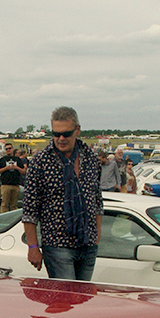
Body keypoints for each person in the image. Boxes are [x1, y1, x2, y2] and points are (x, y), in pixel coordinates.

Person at [22, 106, 102, 281]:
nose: (61, 139)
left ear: (77, 130)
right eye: (56, 134)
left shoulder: (91, 159)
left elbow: (97, 201)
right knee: (65, 302)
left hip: (87, 243)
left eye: (66, 133)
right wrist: (33, 247)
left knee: (83, 300)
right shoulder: (41, 162)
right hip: (57, 244)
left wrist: (96, 237)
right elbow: (30, 209)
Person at [0, 143, 27, 213]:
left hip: (16, 185)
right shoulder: (2, 160)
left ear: (12, 149)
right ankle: (3, 219)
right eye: (7, 149)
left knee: (14, 205)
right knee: (4, 204)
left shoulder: (17, 159)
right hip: (6, 185)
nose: (8, 150)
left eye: (10, 148)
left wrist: (16, 168)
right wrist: (5, 168)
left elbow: (24, 171)